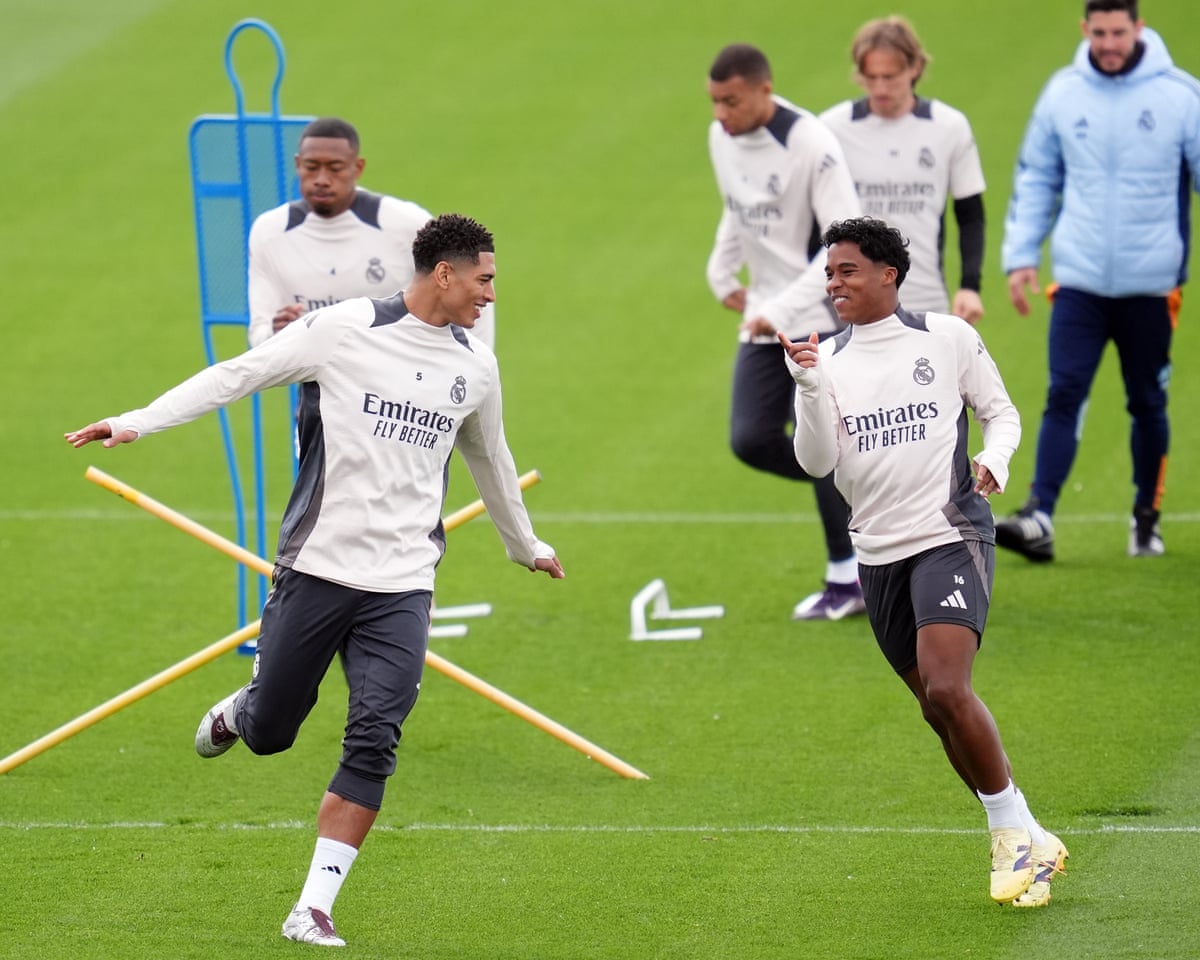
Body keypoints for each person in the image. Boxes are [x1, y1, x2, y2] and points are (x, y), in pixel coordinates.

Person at [65, 214, 563, 946]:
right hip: (318, 570)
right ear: (447, 273)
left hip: (402, 584)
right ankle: (247, 709)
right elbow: (239, 375)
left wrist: (525, 546)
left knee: (375, 736)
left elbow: (491, 459)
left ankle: (314, 906)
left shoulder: (475, 368)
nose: (492, 293)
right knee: (272, 734)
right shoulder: (344, 331)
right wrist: (138, 421)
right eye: (485, 278)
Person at [778, 217, 1066, 906]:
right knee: (937, 712)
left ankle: (1008, 835)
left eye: (847, 270)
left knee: (946, 687)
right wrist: (809, 387)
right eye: (828, 272)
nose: (833, 282)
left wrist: (993, 460)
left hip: (948, 534)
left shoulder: (945, 339)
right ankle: (1029, 828)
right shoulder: (828, 366)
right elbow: (816, 461)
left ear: (888, 274)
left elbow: (1002, 413)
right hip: (877, 554)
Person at [999, 0, 1200, 561]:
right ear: (1084, 29)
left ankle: (1145, 517)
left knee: (1146, 403)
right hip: (1079, 280)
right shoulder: (1064, 94)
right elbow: (1036, 176)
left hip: (1152, 285)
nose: (1109, 43)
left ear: (1138, 28)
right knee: (1064, 391)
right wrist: (1021, 256)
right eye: (1099, 32)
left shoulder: (1181, 97)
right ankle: (1039, 514)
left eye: (1119, 32)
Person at [705, 43, 866, 621]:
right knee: (750, 438)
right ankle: (861, 477)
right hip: (766, 313)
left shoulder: (811, 144)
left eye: (732, 101)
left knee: (820, 438)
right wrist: (719, 269)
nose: (721, 114)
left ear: (764, 90)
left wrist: (784, 307)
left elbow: (843, 237)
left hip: (819, 314)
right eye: (715, 101)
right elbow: (739, 207)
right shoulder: (721, 136)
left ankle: (847, 578)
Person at [248, 116, 496, 350]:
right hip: (320, 387)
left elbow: (473, 284)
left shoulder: (406, 225)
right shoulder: (269, 232)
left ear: (358, 168)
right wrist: (276, 332)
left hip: (403, 381)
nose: (322, 179)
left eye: (335, 168)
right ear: (297, 165)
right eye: (311, 167)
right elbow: (259, 334)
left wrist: (474, 366)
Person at [820, 16, 987, 324]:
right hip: (849, 304)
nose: (880, 88)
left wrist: (969, 286)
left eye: (890, 76)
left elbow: (970, 214)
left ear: (915, 68)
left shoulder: (949, 127)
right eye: (871, 77)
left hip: (924, 300)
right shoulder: (831, 129)